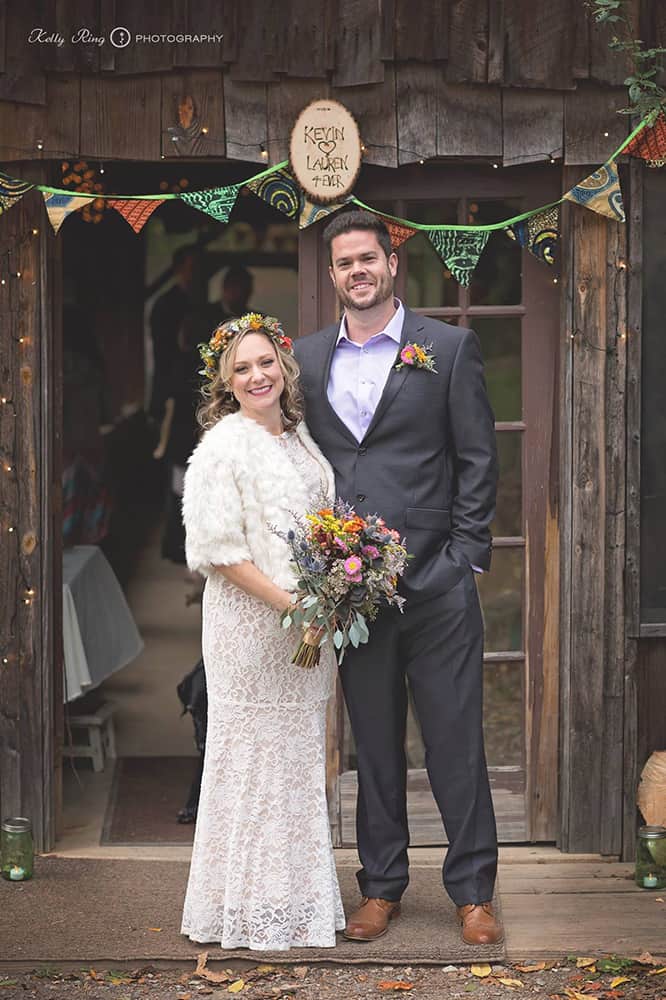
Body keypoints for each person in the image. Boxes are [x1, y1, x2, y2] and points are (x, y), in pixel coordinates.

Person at [293, 210, 502, 946]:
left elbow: (477, 458)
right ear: (333, 275)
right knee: (374, 747)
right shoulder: (308, 357)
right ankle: (380, 888)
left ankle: (474, 892)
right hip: (356, 595)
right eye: (344, 261)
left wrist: (465, 557)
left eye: (368, 258)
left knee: (454, 744)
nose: (357, 270)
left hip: (438, 587)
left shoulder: (446, 347)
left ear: (391, 264)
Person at [180, 312, 345, 950]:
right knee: (250, 763)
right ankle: (244, 908)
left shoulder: (299, 439)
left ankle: (295, 902)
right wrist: (291, 605)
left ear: (285, 365)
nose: (257, 376)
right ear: (226, 381)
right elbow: (217, 551)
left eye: (265, 362)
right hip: (252, 630)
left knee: (298, 762)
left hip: (306, 632)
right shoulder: (224, 445)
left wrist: (336, 589)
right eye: (242, 368)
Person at [149, 245, 197, 421]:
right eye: (192, 267)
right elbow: (164, 351)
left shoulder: (197, 302)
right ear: (179, 269)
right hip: (173, 386)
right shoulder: (166, 305)